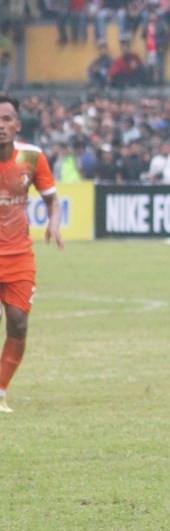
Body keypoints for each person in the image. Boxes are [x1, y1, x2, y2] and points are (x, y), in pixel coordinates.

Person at [0, 96, 63, 413]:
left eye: (7, 119)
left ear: (17, 125)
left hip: (19, 255)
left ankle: (0, 391)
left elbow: (52, 199)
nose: (1, 125)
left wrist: (54, 224)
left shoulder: (33, 157)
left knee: (18, 324)